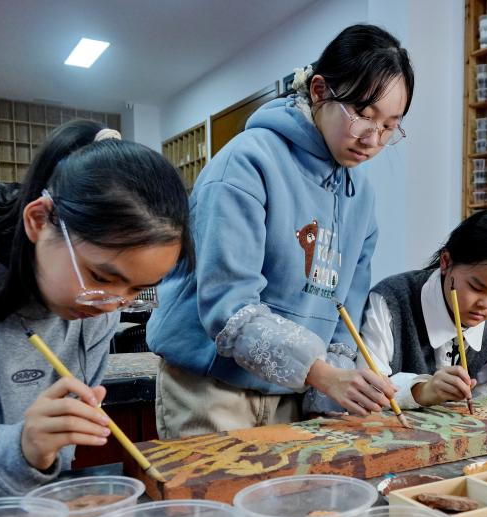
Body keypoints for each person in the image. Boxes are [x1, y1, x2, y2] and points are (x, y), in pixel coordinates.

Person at [147, 24, 415, 437]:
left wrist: (338, 384)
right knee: (214, 501)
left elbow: (346, 311)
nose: (372, 139)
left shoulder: (360, 194)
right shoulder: (247, 162)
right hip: (211, 389)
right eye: (363, 114)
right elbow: (228, 306)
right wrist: (323, 375)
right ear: (320, 91)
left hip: (295, 390)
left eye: (389, 126)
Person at [0, 120, 192, 505]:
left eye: (135, 289)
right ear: (38, 220)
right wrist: (19, 448)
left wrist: (42, 452)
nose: (110, 304)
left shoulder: (98, 310)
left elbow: (56, 462)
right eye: (100, 276)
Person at [359, 209, 487, 409]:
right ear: (446, 262)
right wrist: (422, 390)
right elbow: (368, 390)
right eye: (476, 288)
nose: (486, 305)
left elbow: (481, 390)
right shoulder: (390, 301)